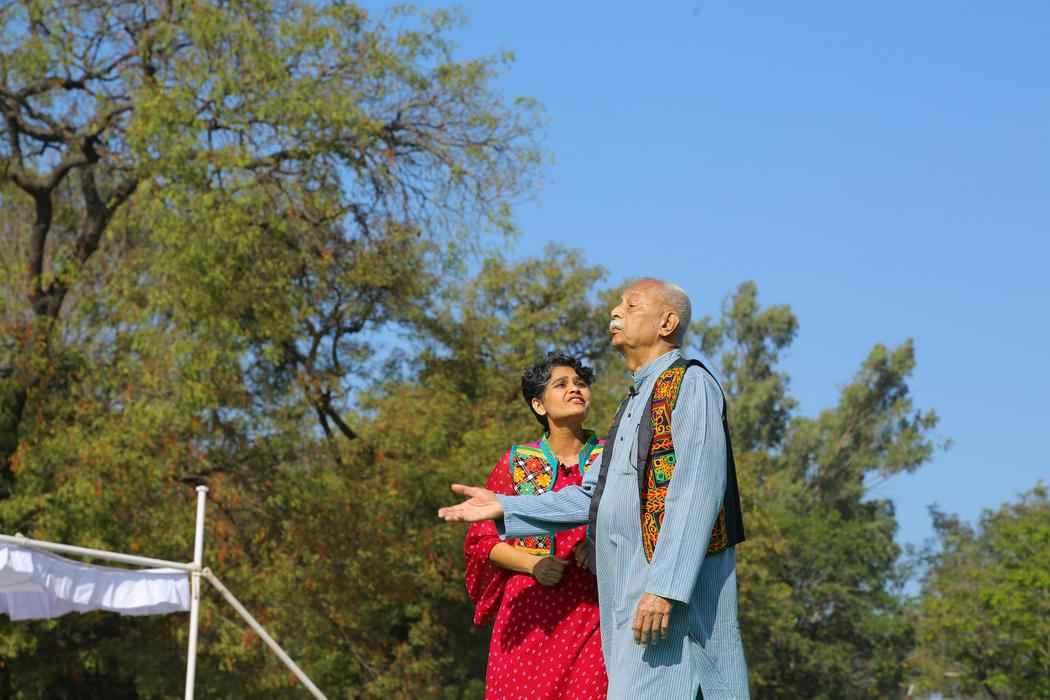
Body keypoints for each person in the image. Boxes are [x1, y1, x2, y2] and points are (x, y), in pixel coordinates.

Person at [440, 279, 749, 700]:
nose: (615, 313)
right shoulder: (636, 401)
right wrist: (504, 506)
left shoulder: (688, 385)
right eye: (618, 304)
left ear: (666, 323)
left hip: (669, 604)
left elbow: (696, 492)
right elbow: (592, 497)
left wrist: (665, 588)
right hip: (631, 606)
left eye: (631, 305)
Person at [464, 353, 608, 700]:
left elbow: (639, 523)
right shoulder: (516, 462)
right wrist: (533, 565)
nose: (575, 389)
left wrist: (600, 546)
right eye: (561, 384)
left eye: (580, 383)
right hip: (529, 615)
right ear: (538, 404)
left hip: (595, 609)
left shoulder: (613, 457)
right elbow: (481, 541)